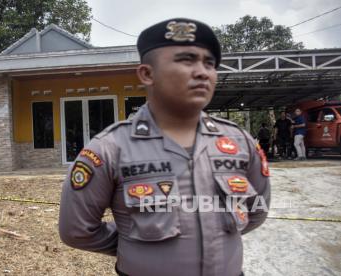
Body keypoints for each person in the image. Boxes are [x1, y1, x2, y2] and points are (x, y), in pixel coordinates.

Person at [59, 18, 271, 276]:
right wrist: (134, 242)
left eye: (209, 63)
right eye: (186, 60)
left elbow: (256, 211)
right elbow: (77, 230)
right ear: (147, 74)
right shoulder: (110, 148)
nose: (202, 71)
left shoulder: (239, 142)